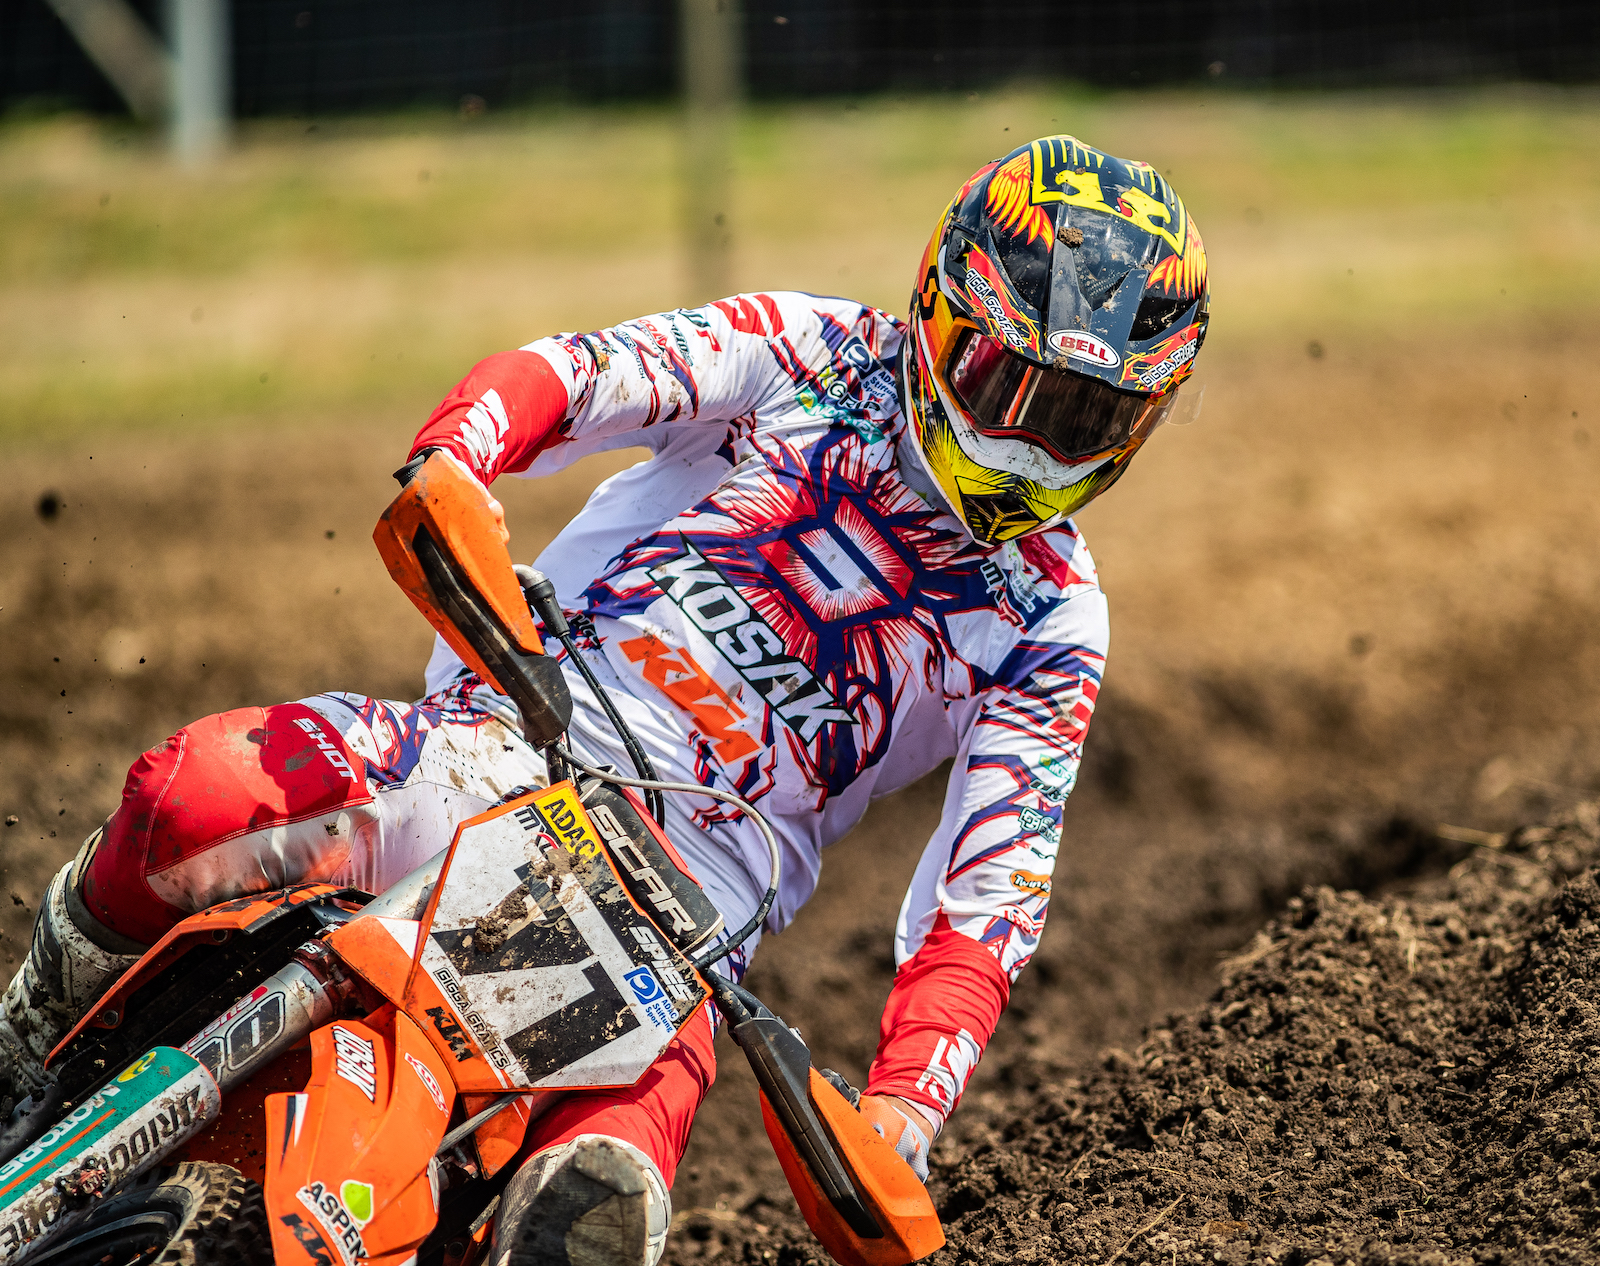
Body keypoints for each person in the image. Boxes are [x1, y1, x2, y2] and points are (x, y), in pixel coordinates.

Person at [0, 135, 1207, 1266]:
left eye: (1085, 420)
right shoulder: (812, 354)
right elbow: (576, 374)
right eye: (1010, 388)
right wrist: (458, 457)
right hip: (505, 737)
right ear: (940, 316)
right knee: (196, 792)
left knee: (597, 1199)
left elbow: (985, 901)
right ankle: (21, 1047)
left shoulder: (1053, 616)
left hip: (683, 921)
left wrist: (902, 1112)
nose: (1032, 450)